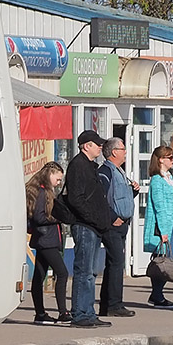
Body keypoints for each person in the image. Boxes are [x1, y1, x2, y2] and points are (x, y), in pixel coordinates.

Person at [62, 129, 119, 328]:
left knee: (92, 272)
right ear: (87, 146)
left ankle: (88, 312)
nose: (101, 147)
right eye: (97, 144)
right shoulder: (78, 165)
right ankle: (79, 315)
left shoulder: (91, 166)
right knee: (83, 271)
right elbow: (75, 199)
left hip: (94, 227)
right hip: (85, 226)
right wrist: (93, 218)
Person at [97, 137, 138, 317]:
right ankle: (114, 305)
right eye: (123, 149)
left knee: (113, 264)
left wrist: (133, 191)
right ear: (114, 152)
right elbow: (101, 198)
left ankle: (107, 304)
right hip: (113, 225)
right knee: (116, 263)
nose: (125, 152)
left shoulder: (119, 170)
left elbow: (119, 197)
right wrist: (113, 217)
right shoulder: (105, 171)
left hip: (122, 223)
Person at [27, 161, 71, 325]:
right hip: (46, 240)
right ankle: (62, 312)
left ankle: (40, 313)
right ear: (50, 174)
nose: (59, 182)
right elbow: (39, 217)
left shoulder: (43, 191)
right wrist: (57, 218)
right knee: (63, 272)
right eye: (58, 179)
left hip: (43, 239)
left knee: (39, 276)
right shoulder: (42, 192)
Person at [142, 145, 173, 309]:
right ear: (160, 159)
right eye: (170, 158)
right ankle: (157, 295)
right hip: (163, 225)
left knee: (167, 260)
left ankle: (157, 293)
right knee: (162, 261)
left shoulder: (169, 177)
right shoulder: (157, 180)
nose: (172, 161)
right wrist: (163, 231)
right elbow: (159, 206)